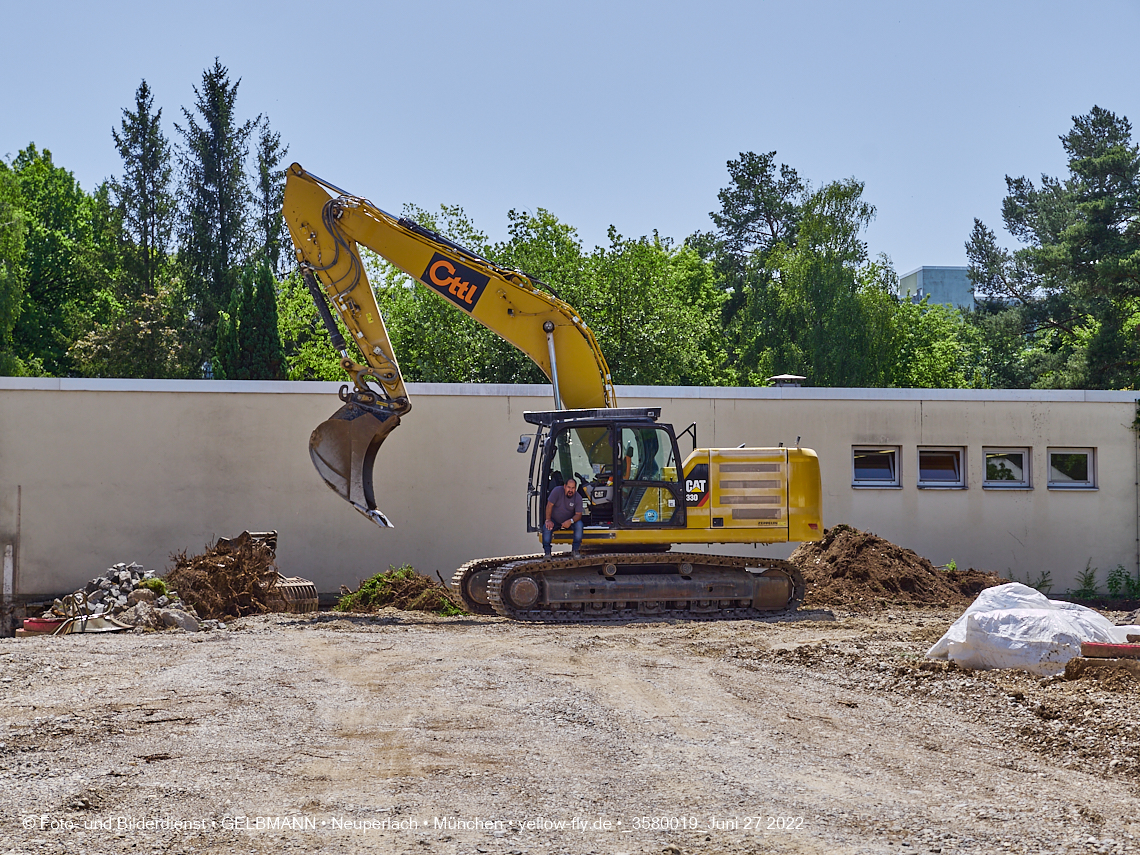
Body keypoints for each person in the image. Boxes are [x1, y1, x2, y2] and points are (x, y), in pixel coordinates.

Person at [543, 477, 583, 558]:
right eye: (569, 487)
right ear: (564, 486)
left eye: (573, 488)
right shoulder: (557, 491)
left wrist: (570, 521)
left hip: (569, 522)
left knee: (579, 525)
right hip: (555, 520)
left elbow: (578, 514)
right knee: (546, 527)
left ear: (575, 488)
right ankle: (547, 553)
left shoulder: (578, 498)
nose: (570, 490)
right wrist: (548, 520)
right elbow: (549, 505)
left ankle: (575, 550)